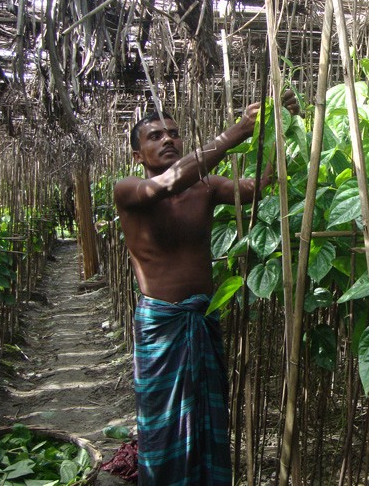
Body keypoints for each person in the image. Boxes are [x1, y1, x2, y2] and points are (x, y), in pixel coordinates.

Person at [114, 92, 299, 485]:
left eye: (174, 134)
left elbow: (263, 186)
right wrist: (236, 132)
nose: (167, 140)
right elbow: (167, 183)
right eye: (154, 136)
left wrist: (279, 130)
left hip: (202, 317)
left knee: (206, 417)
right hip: (161, 324)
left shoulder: (206, 187)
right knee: (162, 423)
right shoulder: (129, 190)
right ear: (137, 155)